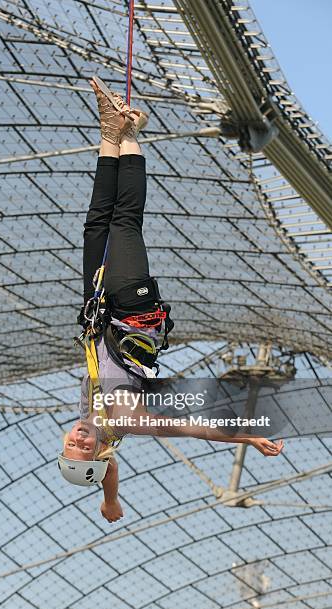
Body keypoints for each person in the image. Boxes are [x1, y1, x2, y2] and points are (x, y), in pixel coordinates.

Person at [58, 77, 284, 523]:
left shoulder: (102, 435)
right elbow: (190, 428)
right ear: (97, 452)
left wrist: (110, 499)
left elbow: (107, 468)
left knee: (95, 225)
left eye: (71, 445)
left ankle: (110, 135)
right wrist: (248, 438)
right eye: (84, 449)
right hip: (132, 314)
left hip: (100, 310)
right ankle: (132, 136)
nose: (78, 441)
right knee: (125, 223)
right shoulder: (123, 422)